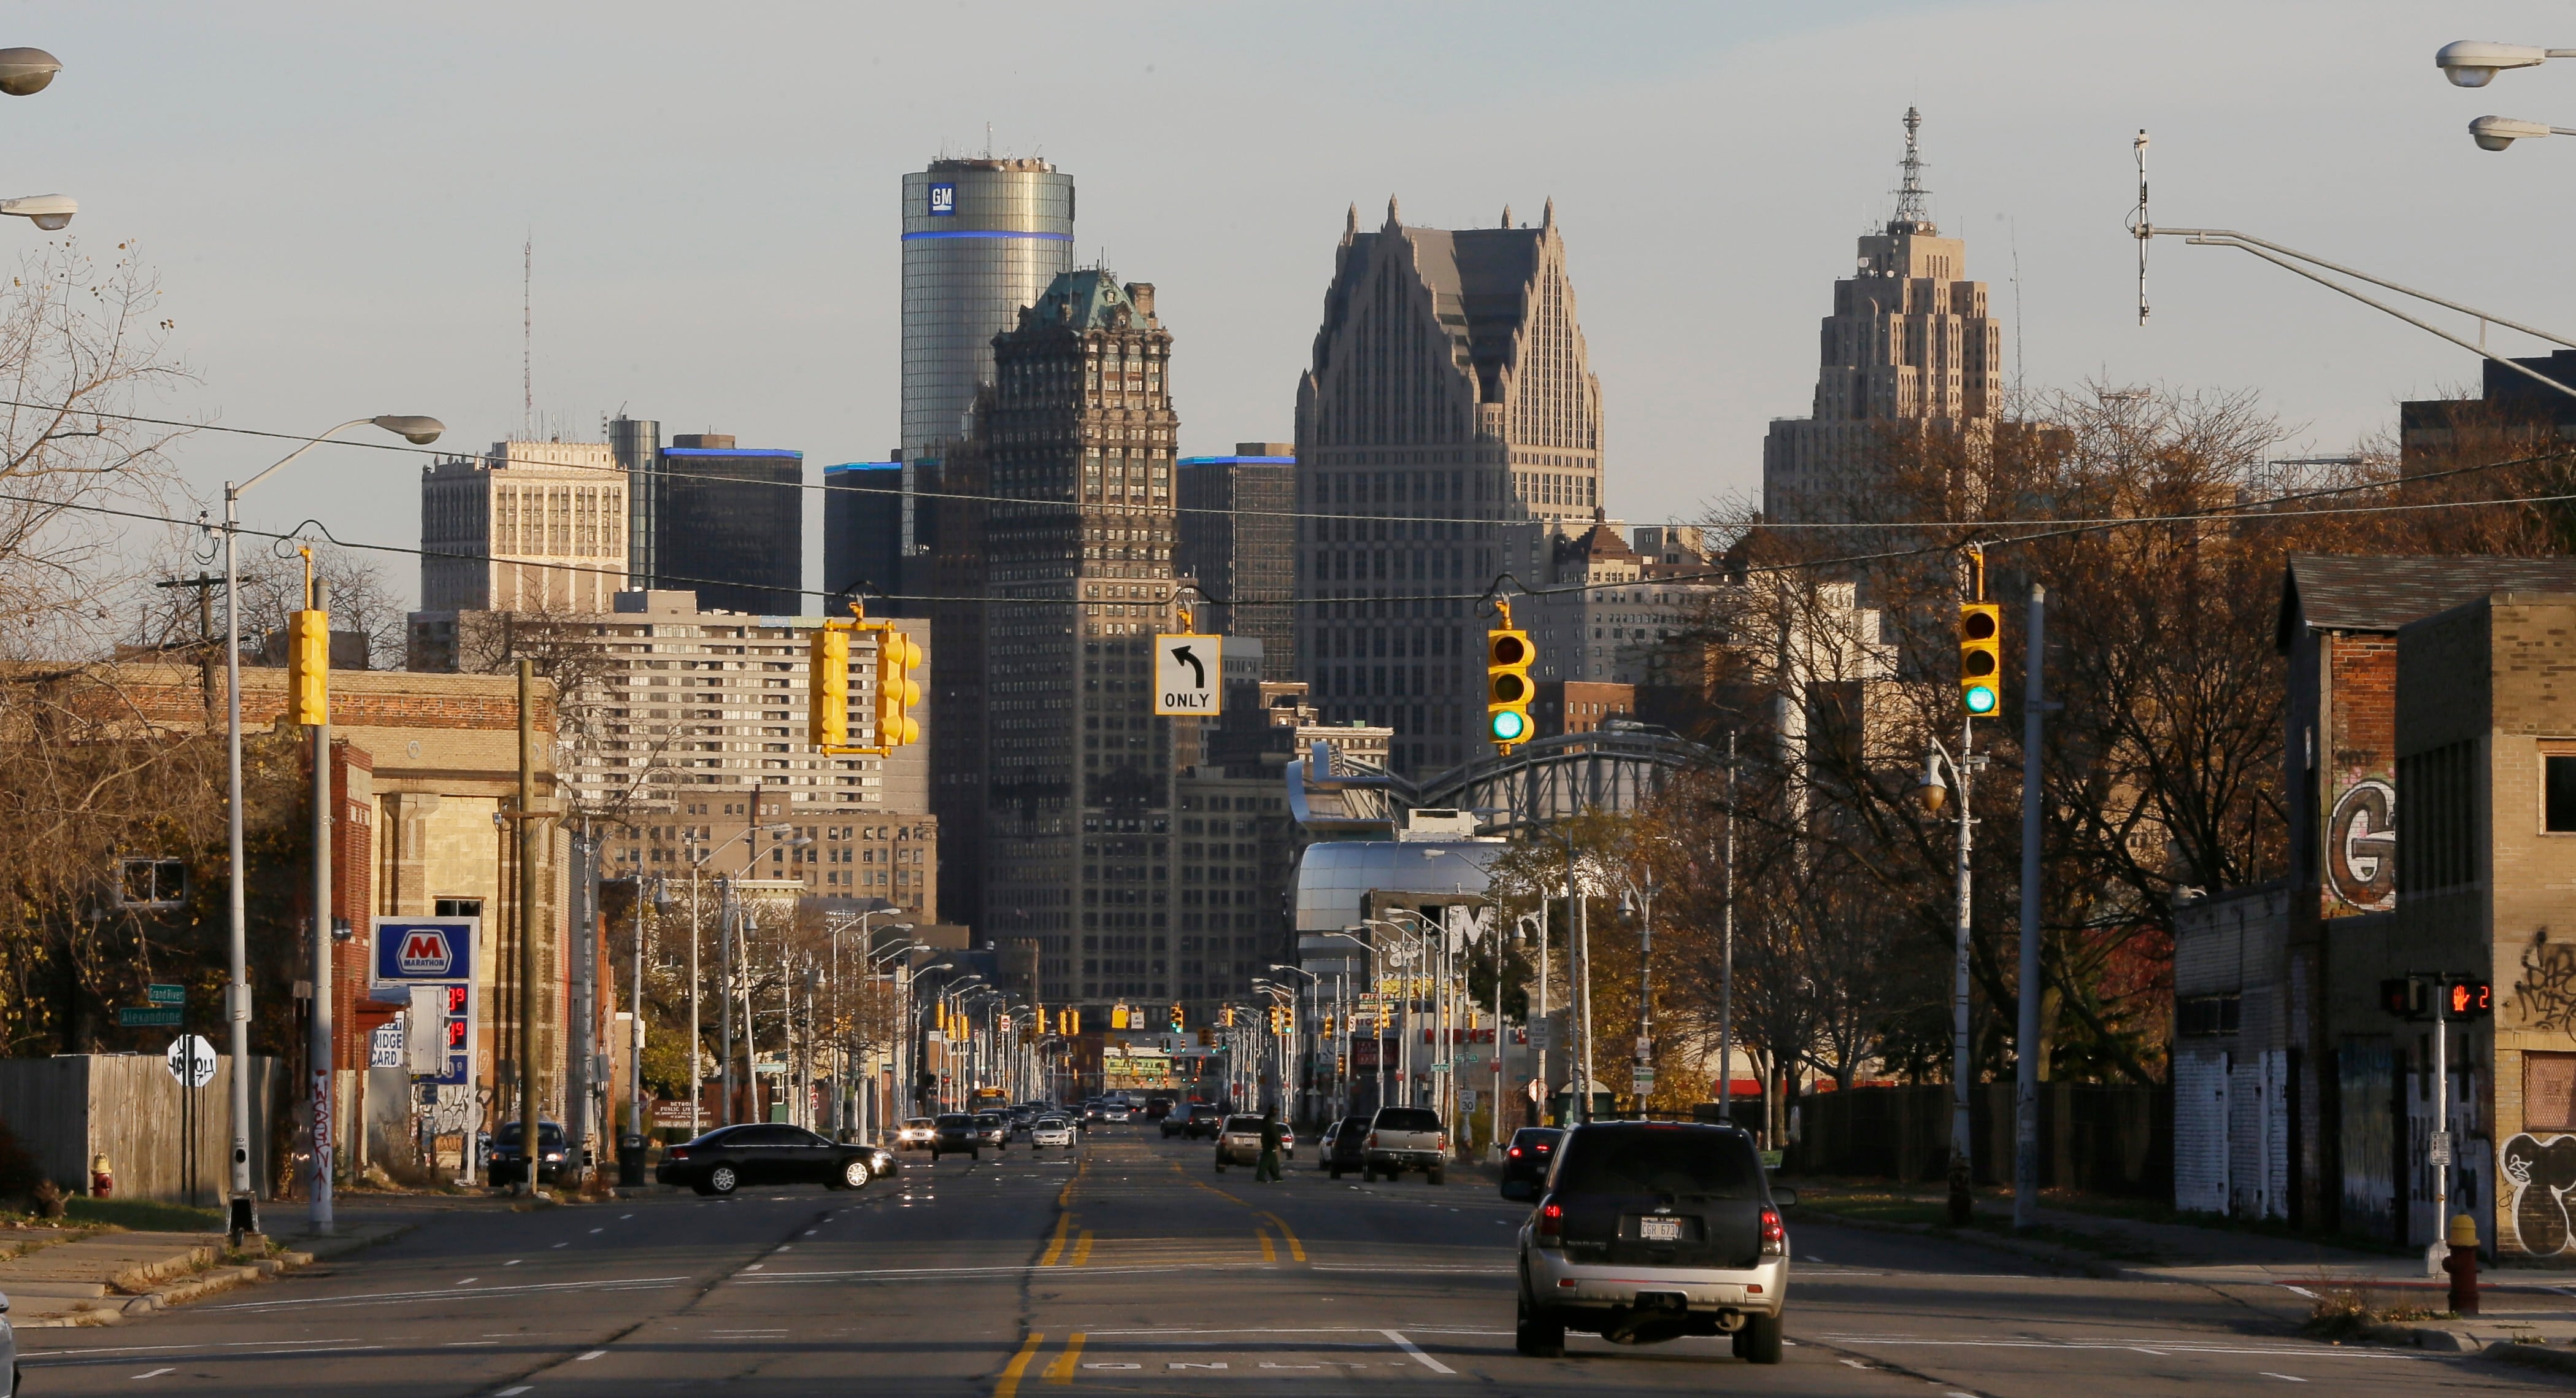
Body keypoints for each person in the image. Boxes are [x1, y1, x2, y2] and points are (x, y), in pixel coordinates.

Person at [1255, 1108, 1285, 1184]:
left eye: (1277, 1111)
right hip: (1269, 1143)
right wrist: (1280, 1144)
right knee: (1265, 1161)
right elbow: (1275, 1133)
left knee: (1273, 1161)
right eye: (1275, 1111)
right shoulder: (1270, 1121)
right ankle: (1260, 1177)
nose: (1277, 1112)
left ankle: (1276, 1177)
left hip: (1268, 1143)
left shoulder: (1268, 1120)